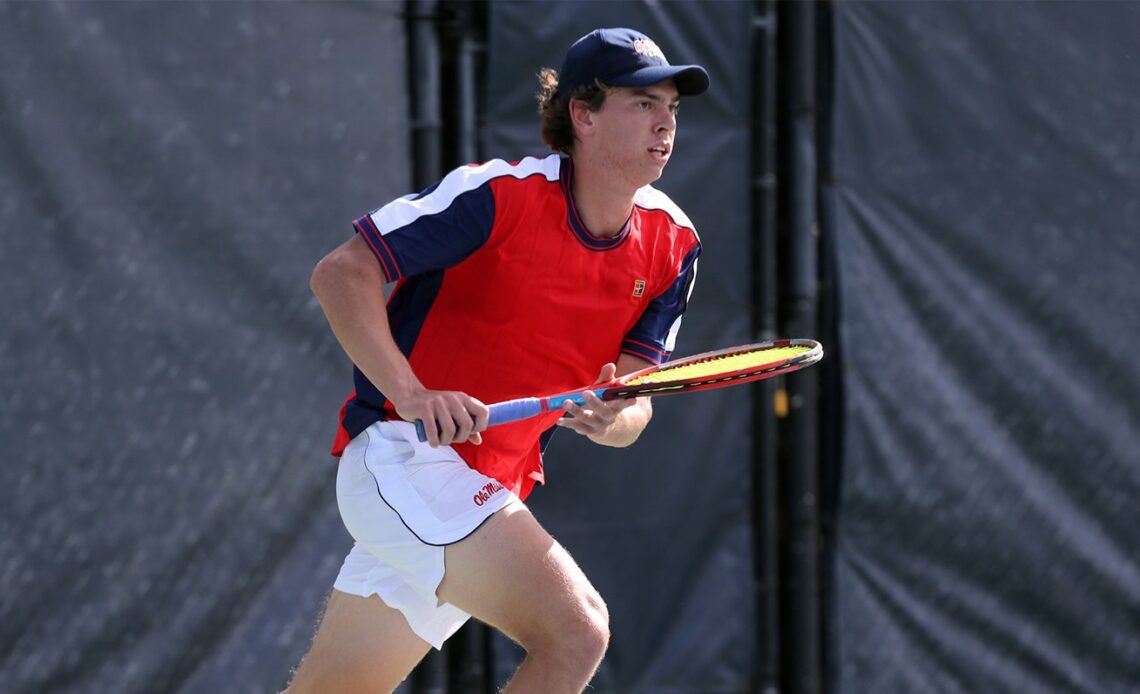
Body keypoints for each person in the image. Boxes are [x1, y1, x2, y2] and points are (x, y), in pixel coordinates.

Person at [287, 27, 709, 693]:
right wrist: (415, 392)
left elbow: (636, 399)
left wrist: (614, 419)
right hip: (402, 453)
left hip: (491, 485)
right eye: (640, 104)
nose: (665, 124)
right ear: (583, 114)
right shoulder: (498, 196)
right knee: (578, 632)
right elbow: (341, 274)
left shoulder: (674, 245)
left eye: (672, 108)